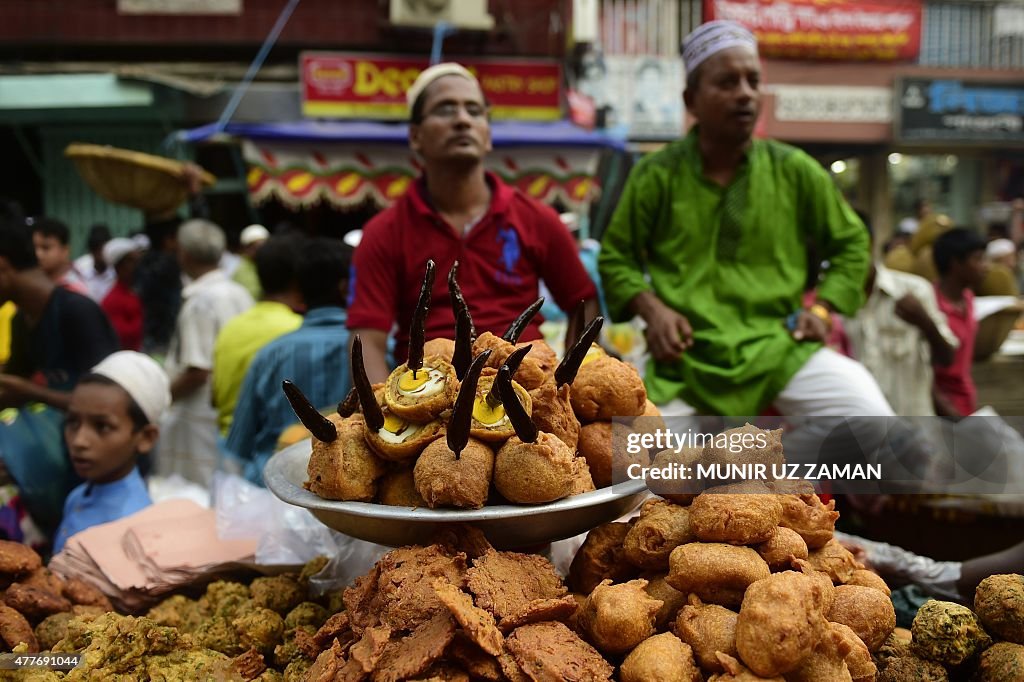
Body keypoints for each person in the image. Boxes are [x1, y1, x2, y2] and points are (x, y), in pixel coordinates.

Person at [598, 20, 891, 417]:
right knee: (638, 463)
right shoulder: (655, 174)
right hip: (686, 361)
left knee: (871, 419)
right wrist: (654, 311)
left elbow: (852, 243)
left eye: (753, 81)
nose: (746, 95)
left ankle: (776, 475)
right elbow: (616, 256)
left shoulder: (795, 170)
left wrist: (822, 310)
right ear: (691, 100)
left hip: (779, 348)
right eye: (727, 82)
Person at [348, 63, 600, 384]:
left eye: (474, 111)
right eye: (445, 109)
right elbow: (366, 339)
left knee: (639, 433)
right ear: (415, 136)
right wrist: (385, 418)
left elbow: (583, 302)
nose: (463, 120)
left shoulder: (536, 218)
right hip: (428, 396)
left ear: (488, 135)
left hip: (526, 388)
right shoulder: (383, 233)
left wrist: (566, 381)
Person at [225, 238, 352, 485]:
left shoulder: (269, 355)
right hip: (348, 498)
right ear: (346, 288)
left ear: (298, 289)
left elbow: (238, 445)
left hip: (275, 492)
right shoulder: (380, 352)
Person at [160, 219, 253, 485]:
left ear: (184, 254)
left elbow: (198, 371)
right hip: (231, 403)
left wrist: (162, 398)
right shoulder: (239, 292)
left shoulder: (200, 303)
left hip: (200, 411)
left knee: (200, 485)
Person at [52, 351, 170, 552]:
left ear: (145, 437)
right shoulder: (79, 496)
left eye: (102, 427)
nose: (79, 441)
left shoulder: (130, 527)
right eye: (73, 422)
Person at [0, 218, 119, 409]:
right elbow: (13, 388)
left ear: (3, 265)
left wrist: (32, 391)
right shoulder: (21, 320)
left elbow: (108, 400)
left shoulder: (77, 311)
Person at [845, 219, 958, 415]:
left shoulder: (914, 290)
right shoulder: (828, 305)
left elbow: (947, 357)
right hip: (860, 433)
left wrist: (925, 323)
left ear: (868, 244)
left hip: (911, 426)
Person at [212, 232, 303, 436]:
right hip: (274, 449)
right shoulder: (298, 332)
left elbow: (215, 398)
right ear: (299, 278)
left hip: (226, 445)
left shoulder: (231, 327)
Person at [932, 228, 989, 418]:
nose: (985, 266)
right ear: (955, 263)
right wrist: (949, 411)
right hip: (941, 411)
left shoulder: (968, 298)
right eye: (978, 259)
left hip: (965, 404)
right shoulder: (931, 304)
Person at [99, 238, 145, 351]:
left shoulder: (138, 290)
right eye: (131, 261)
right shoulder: (112, 300)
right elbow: (122, 337)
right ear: (118, 266)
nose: (137, 266)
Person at [29, 217, 88, 295]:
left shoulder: (75, 290)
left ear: (65, 250)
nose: (38, 254)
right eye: (34, 248)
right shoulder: (35, 284)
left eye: (46, 248)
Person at [73, 224, 115, 303]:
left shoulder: (117, 270)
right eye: (97, 250)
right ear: (91, 250)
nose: (101, 255)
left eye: (104, 250)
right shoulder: (79, 268)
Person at [231, 224, 270, 300]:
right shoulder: (241, 271)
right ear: (246, 249)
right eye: (255, 247)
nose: (260, 250)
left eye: (263, 245)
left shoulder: (272, 262)